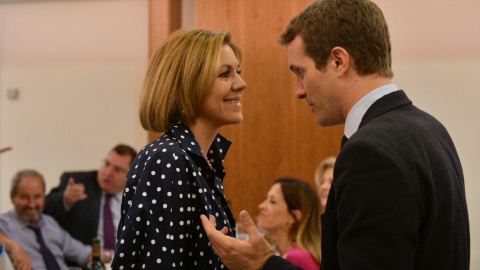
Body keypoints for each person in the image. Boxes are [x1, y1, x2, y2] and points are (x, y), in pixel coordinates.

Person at [200, 0, 470, 269]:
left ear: (339, 61)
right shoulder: (431, 129)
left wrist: (263, 265)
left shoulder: (370, 152)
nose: (299, 90)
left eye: (301, 72)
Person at [111, 29, 247, 269]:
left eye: (238, 71)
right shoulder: (168, 158)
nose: (241, 84)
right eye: (225, 74)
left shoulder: (202, 160)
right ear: (188, 85)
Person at [44, 144, 137, 253]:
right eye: (107, 164)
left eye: (118, 170)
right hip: (86, 262)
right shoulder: (77, 182)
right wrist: (65, 200)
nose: (108, 173)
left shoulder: (137, 195)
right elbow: (43, 209)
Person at [0, 169, 92, 269]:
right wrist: (13, 247)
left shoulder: (50, 223)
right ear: (12, 197)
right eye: (25, 197)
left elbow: (85, 254)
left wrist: (108, 259)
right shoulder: (5, 224)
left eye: (37, 197)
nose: (32, 204)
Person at [258, 177, 321, 269]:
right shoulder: (290, 254)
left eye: (272, 201)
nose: (261, 206)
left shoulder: (296, 258)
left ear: (294, 216)